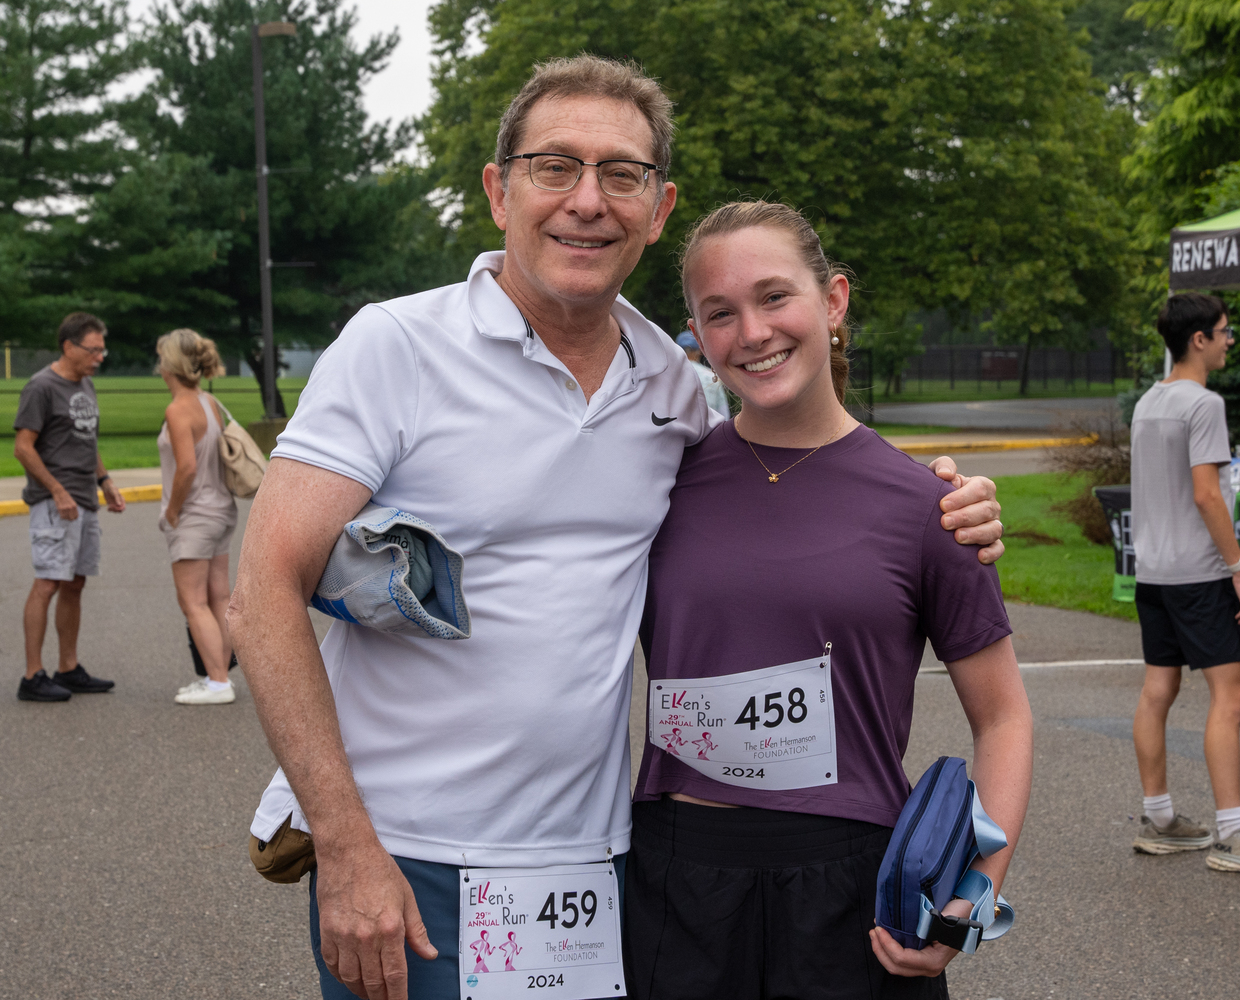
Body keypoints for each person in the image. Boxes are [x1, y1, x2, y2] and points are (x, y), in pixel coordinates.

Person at [228, 55, 1004, 1000]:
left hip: (598, 868)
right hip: (412, 858)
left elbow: (789, 491)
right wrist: (344, 845)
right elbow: (262, 581)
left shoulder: (676, 391)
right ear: (498, 189)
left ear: (660, 206)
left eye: (621, 174)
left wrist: (947, 503)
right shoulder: (397, 346)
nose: (586, 200)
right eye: (555, 166)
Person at [626, 202, 1033, 1000]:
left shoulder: (932, 506)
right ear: (696, 335)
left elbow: (1004, 717)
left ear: (834, 300)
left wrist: (974, 892)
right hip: (678, 877)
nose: (752, 332)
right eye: (721, 313)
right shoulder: (653, 481)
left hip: (855, 892)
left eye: (775, 296)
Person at [1128, 292, 1240, 873]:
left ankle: (1160, 820)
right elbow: (1206, 494)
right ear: (1198, 339)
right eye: (1225, 331)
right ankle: (1234, 834)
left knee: (1160, 690)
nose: (1230, 340)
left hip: (1152, 571)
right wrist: (1239, 570)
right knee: (1233, 697)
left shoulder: (1149, 402)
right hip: (1198, 573)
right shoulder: (1203, 404)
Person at [13, 312, 126, 702]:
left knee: (75, 584)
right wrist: (56, 490)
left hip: (84, 499)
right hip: (54, 502)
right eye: (93, 349)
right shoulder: (41, 387)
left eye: (101, 349)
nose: (100, 357)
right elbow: (23, 447)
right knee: (47, 582)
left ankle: (68, 667)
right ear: (68, 346)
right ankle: (32, 675)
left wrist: (105, 481)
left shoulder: (86, 385)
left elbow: (86, 441)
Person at [155, 329, 239, 706]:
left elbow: (186, 467)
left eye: (160, 358)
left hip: (195, 514)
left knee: (193, 601)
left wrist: (171, 512)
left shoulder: (177, 409)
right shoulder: (209, 401)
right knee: (218, 594)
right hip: (221, 510)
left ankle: (218, 683)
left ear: (170, 364)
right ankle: (215, 675)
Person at [675, 329, 729, 418]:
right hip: (710, 430)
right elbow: (723, 414)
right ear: (700, 350)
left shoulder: (669, 374)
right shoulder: (712, 375)